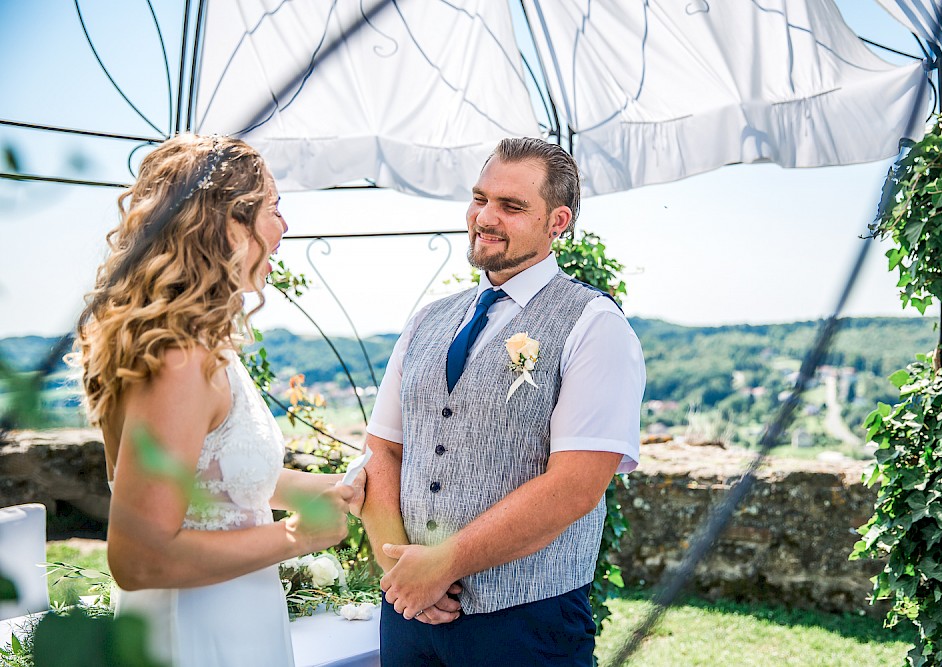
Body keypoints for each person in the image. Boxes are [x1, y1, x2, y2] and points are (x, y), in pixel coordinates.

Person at [73, 134, 362, 667]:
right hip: (195, 635)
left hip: (237, 620)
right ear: (230, 224)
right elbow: (139, 560)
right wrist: (296, 537)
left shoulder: (203, 347)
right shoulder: (178, 361)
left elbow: (217, 480)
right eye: (274, 208)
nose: (285, 226)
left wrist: (332, 490)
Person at [362, 137, 645, 665]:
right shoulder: (427, 320)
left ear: (557, 221)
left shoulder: (595, 325)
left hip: (527, 621)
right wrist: (400, 572)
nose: (484, 217)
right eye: (479, 198)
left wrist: (443, 564)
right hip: (409, 618)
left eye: (511, 206)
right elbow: (382, 451)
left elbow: (575, 485)